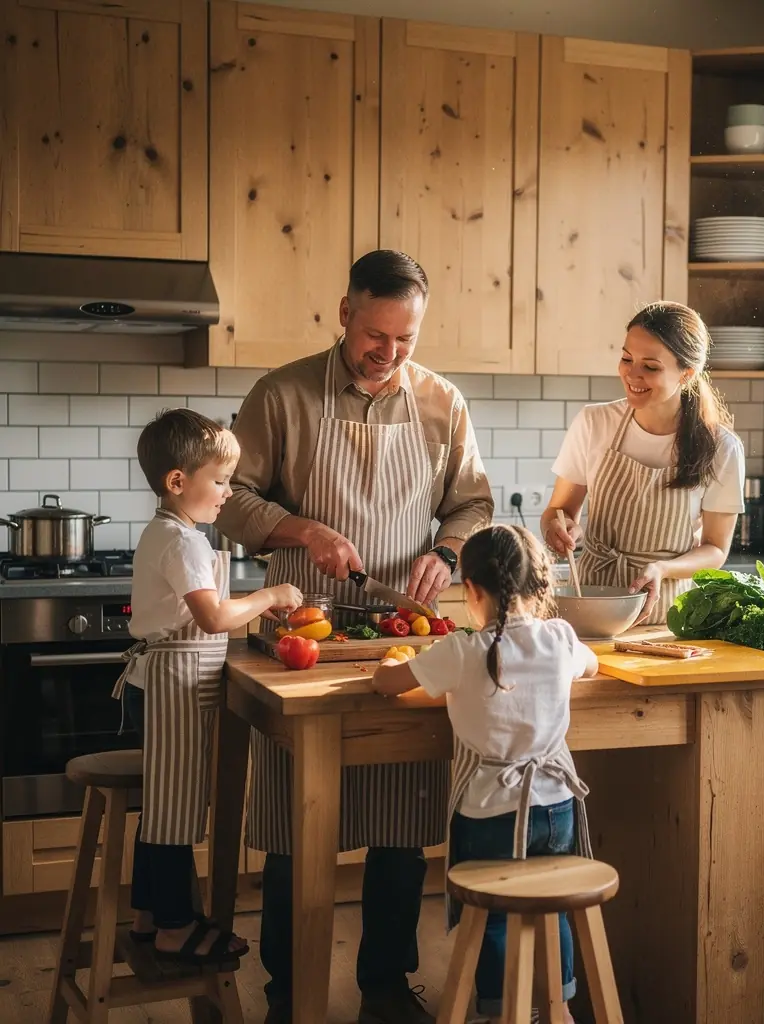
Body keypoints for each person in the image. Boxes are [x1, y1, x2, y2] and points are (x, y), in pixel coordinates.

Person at [217, 249, 494, 1024]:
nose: (391, 353)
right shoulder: (281, 395)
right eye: (377, 335)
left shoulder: (442, 401)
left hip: (400, 635)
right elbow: (230, 497)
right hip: (300, 632)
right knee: (292, 826)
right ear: (345, 312)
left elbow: (472, 504)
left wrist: (445, 553)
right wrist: (301, 528)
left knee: (404, 822)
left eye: (406, 340)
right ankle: (289, 992)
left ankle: (383, 985)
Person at [372, 524, 598, 1024]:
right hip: (557, 808)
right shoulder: (560, 638)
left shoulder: (461, 652)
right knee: (551, 903)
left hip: (491, 812)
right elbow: (592, 665)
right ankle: (554, 1005)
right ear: (540, 587)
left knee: (495, 914)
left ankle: (501, 1011)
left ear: (470, 590)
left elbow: (386, 683)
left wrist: (394, 658)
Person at [112, 408, 302, 966]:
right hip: (176, 683)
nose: (227, 492)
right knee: (176, 811)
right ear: (178, 482)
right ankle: (175, 927)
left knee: (164, 808)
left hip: (172, 682)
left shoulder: (169, 531)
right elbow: (215, 618)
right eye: (219, 481)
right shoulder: (184, 543)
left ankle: (151, 916)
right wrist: (272, 596)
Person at [541, 301, 745, 624]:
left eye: (650, 367)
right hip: (591, 609)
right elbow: (558, 513)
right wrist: (558, 527)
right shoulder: (594, 423)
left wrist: (662, 568)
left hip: (668, 619)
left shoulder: (722, 448)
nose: (632, 374)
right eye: (626, 358)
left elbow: (716, 550)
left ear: (686, 374)